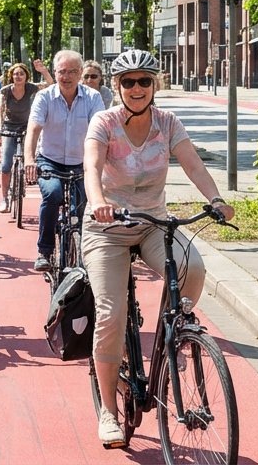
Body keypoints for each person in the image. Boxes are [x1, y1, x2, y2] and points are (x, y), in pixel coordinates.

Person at [84, 49, 232, 448]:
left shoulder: (167, 124)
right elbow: (91, 168)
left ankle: (171, 333)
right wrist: (98, 201)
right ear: (117, 87)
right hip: (108, 228)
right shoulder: (104, 122)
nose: (136, 88)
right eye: (128, 81)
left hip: (153, 222)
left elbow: (193, 164)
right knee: (112, 315)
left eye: (144, 81)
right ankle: (108, 412)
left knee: (194, 268)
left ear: (155, 85)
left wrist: (216, 199)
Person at [24, 50, 105, 272]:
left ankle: (87, 253)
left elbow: (102, 132)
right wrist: (29, 159)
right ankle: (45, 250)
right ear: (55, 73)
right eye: (61, 72)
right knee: (53, 194)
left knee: (85, 208)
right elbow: (33, 129)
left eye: (72, 72)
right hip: (50, 160)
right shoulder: (44, 97)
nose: (66, 77)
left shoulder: (93, 98)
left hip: (82, 163)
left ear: (80, 73)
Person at [0, 61, 40, 215]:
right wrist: (0, 127)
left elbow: (50, 84)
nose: (18, 76)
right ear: (11, 76)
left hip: (26, 126)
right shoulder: (6, 91)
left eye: (21, 73)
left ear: (26, 76)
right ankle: (4, 198)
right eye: (15, 74)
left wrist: (43, 70)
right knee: (6, 164)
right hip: (9, 126)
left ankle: (24, 175)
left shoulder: (31, 88)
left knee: (30, 156)